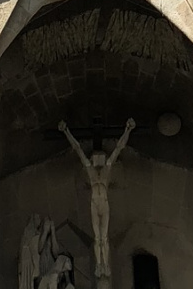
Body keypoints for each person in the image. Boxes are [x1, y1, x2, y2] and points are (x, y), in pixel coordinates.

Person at [58, 119, 135, 282]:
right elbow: (78, 149)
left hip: (103, 204)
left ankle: (105, 265)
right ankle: (99, 264)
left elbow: (118, 149)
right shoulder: (90, 170)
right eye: (96, 157)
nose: (98, 158)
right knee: (97, 238)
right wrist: (66, 132)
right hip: (95, 204)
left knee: (104, 237)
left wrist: (128, 130)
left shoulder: (107, 169)